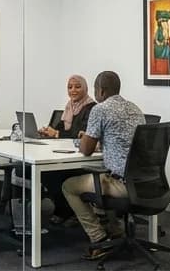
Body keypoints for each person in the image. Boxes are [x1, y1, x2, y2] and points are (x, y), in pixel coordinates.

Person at [62, 70, 145, 260]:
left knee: (69, 186)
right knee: (104, 176)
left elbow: (86, 150)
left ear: (100, 91)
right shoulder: (135, 109)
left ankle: (98, 237)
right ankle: (115, 230)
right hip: (145, 182)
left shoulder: (100, 109)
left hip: (121, 184)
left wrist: (86, 137)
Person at [38, 74, 97, 226]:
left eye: (77, 86)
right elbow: (60, 128)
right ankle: (65, 210)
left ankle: (68, 211)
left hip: (82, 158)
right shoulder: (69, 107)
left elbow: (80, 133)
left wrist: (57, 134)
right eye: (70, 87)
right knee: (47, 173)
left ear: (86, 88)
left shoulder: (91, 108)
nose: (73, 90)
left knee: (51, 174)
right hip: (67, 153)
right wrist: (48, 131)